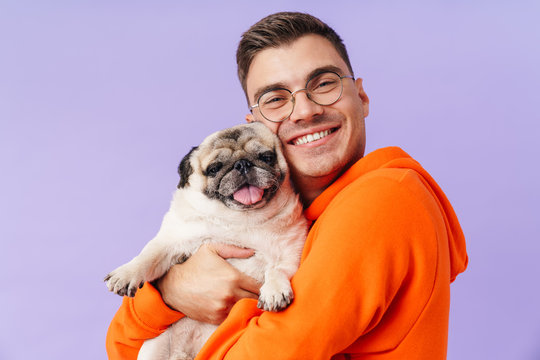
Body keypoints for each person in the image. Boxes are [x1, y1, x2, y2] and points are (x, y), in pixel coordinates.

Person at [106, 12, 468, 359]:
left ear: (362, 97)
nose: (304, 110)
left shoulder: (382, 199)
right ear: (255, 124)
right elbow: (121, 347)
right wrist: (171, 292)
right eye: (276, 99)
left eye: (324, 83)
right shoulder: (297, 220)